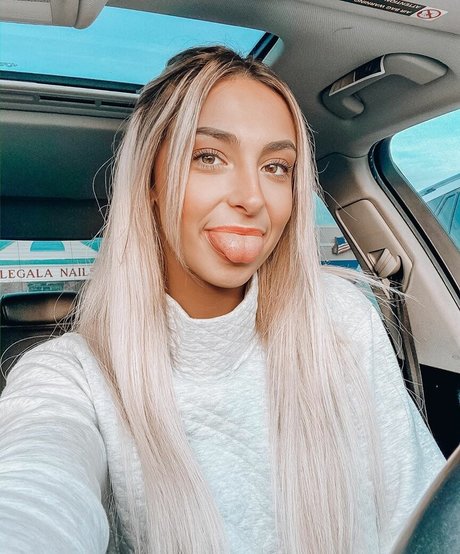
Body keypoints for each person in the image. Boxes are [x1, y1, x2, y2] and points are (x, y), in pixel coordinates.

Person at [0, 46, 445, 554]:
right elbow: (35, 493)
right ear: (150, 180)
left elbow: (422, 514)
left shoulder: (340, 319)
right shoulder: (71, 377)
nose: (252, 198)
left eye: (276, 167)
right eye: (209, 157)